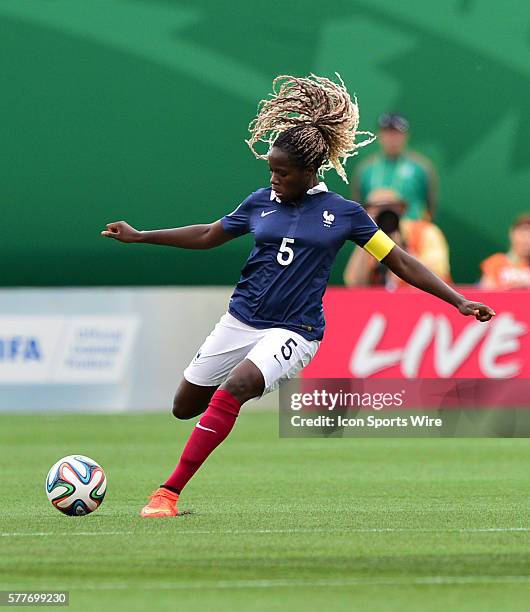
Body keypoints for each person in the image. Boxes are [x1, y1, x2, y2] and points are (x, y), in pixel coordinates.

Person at [101, 74, 495, 518]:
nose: (274, 178)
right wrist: (141, 236)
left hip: (296, 329)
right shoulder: (260, 202)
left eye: (282, 172)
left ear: (310, 173)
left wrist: (457, 299)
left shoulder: (344, 214)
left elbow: (399, 261)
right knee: (183, 406)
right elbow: (210, 234)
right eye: (271, 169)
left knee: (238, 386)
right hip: (241, 319)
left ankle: (167, 494)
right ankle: (202, 435)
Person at [344, 187, 451, 288]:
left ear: (402, 209)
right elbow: (355, 283)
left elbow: (438, 273)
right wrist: (365, 233)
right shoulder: (370, 240)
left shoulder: (425, 232)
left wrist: (399, 248)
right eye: (377, 208)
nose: (384, 213)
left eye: (390, 207)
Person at [352, 113, 438, 221]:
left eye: (396, 133)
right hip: (375, 233)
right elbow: (357, 207)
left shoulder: (422, 167)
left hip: (412, 232)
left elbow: (430, 207)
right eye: (387, 133)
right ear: (379, 136)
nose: (392, 139)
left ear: (406, 135)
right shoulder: (365, 169)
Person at [480, 214, 530, 289]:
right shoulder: (496, 261)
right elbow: (485, 291)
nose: (527, 240)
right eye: (523, 234)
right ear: (512, 233)